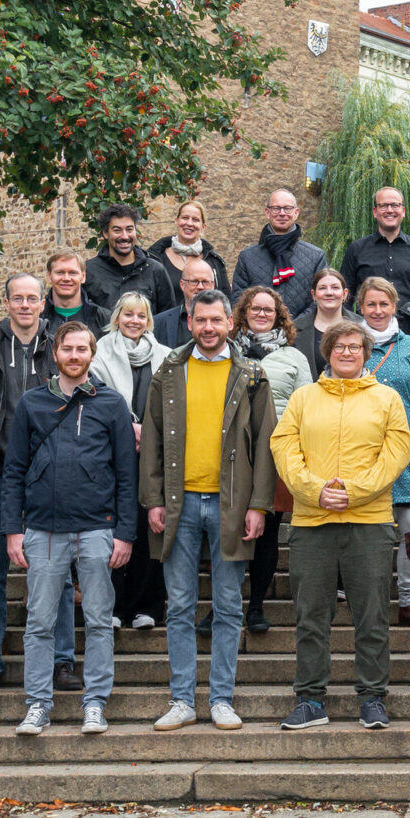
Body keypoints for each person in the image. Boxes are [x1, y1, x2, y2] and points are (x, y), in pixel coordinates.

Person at [140, 289, 278, 732]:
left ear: (230, 323)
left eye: (217, 320)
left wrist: (259, 505)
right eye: (201, 320)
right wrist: (154, 499)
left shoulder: (251, 374)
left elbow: (266, 443)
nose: (209, 328)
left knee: (227, 605)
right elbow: (153, 441)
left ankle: (221, 699)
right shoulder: (169, 371)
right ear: (189, 321)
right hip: (178, 504)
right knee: (179, 605)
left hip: (230, 505)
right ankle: (182, 699)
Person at [270, 320, 410, 731]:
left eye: (354, 346)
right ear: (327, 351)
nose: (347, 352)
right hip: (313, 522)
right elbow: (284, 447)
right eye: (339, 346)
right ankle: (311, 699)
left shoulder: (387, 399)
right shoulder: (302, 398)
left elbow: (397, 452)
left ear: (367, 353)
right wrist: (314, 491)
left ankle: (372, 698)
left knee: (372, 615)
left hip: (368, 521)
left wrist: (354, 491)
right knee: (311, 616)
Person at [1, 321, 137, 736]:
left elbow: (126, 474)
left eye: (82, 349)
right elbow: (14, 470)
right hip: (43, 529)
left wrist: (125, 532)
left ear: (92, 354)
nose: (75, 356)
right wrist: (12, 529)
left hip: (98, 526)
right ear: (55, 353)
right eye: (68, 349)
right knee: (39, 622)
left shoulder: (111, 404)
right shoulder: (32, 403)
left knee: (98, 620)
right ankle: (38, 704)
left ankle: (95, 702)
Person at [0, 273, 67, 691]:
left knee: (59, 571)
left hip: (52, 471)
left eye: (32, 298)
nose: (25, 305)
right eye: (17, 298)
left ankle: (60, 660)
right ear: (5, 303)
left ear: (44, 302)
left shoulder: (61, 344)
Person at [350, 278, 410, 626]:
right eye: (371, 305)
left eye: (383, 304)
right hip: (362, 453)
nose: (377, 311)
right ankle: (367, 602)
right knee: (367, 534)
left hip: (407, 453)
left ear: (394, 306)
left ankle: (408, 601)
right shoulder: (349, 343)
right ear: (361, 307)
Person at [227, 286, 313, 634]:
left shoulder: (294, 358)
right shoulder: (225, 350)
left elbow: (305, 405)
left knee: (267, 532)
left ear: (279, 316)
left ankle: (257, 605)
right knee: (228, 529)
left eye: (269, 309)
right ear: (243, 313)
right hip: (230, 452)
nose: (261, 314)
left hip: (274, 452)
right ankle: (224, 603)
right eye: (254, 308)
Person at [89, 293, 171, 633]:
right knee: (113, 531)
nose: (134, 320)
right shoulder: (99, 355)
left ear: (149, 320)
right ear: (117, 317)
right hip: (111, 452)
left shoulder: (167, 357)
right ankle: (115, 605)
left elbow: (172, 403)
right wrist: (128, 428)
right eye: (128, 314)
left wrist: (147, 431)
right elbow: (97, 399)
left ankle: (146, 606)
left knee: (148, 527)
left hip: (155, 454)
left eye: (141, 315)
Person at [232, 188, 328, 319]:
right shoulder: (247, 257)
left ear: (296, 213)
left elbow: (320, 298)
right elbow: (239, 300)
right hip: (258, 333)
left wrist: (295, 326)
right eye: (276, 208)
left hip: (303, 334)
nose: (282, 213)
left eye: (287, 208)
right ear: (267, 212)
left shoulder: (316, 256)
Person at [341, 186, 410, 326]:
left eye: (395, 205)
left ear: (403, 211)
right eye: (383, 206)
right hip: (367, 331)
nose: (389, 210)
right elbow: (345, 295)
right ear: (375, 212)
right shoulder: (357, 249)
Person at [85, 202, 176, 316]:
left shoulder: (155, 270)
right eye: (117, 230)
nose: (124, 236)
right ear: (105, 233)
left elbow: (168, 317)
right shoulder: (89, 271)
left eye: (129, 229)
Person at [147, 198, 231, 295]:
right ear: (176, 221)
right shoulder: (156, 259)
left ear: (203, 226)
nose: (189, 223)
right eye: (185, 218)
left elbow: (226, 301)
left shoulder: (214, 262)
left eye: (195, 220)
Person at [292, 267, 358, 379]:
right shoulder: (295, 329)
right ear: (313, 294)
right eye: (322, 288)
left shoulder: (361, 326)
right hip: (309, 395)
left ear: (345, 293)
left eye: (335, 288)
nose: (329, 293)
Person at [152, 257, 217, 349]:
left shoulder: (225, 322)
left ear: (213, 285)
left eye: (205, 282)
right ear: (182, 285)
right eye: (194, 281)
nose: (200, 287)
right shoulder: (158, 323)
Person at [43, 249, 111, 336]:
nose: (66, 278)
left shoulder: (102, 318)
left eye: (73, 273)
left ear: (83, 277)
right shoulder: (38, 316)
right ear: (49, 276)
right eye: (60, 272)